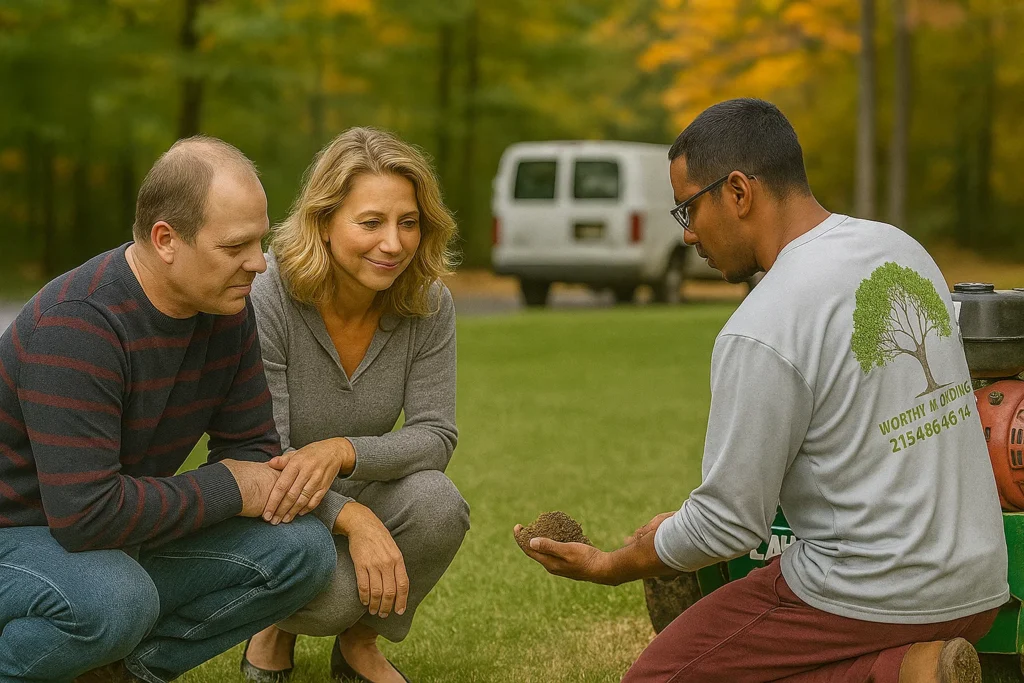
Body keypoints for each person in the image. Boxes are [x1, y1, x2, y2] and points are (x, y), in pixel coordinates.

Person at [515, 98, 1009, 683]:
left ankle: (892, 671)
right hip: (980, 586)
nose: (689, 234)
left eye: (688, 209)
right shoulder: (901, 252)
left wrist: (611, 564)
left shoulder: (763, 324)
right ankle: (916, 669)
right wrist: (680, 526)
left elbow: (730, 527)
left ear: (739, 192)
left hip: (873, 595)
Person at [0, 136, 337, 683]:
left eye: (260, 241)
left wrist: (241, 483)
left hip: (102, 539)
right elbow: (85, 514)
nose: (259, 265)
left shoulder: (226, 310)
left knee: (301, 550)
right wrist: (228, 487)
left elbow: (253, 454)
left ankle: (123, 673)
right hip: (17, 537)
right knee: (116, 597)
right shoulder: (79, 326)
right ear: (166, 240)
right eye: (235, 247)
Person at [242, 127, 470, 683]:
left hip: (355, 479)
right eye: (371, 222)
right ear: (324, 221)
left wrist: (344, 452)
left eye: (408, 222)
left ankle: (359, 644)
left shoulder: (427, 301)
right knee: (333, 596)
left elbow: (436, 435)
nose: (393, 243)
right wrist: (353, 518)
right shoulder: (266, 295)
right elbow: (261, 449)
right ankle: (276, 628)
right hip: (272, 499)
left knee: (439, 503)